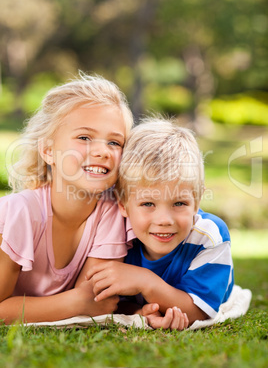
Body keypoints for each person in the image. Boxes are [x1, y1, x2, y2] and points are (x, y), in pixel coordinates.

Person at [0, 73, 135, 324]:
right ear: (49, 151)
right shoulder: (21, 212)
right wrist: (73, 302)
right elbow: (83, 302)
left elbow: (96, 300)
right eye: (84, 137)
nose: (102, 151)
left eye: (114, 142)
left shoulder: (110, 213)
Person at [87, 118, 234, 330]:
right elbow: (112, 301)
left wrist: (144, 281)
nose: (164, 220)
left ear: (197, 201)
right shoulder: (116, 234)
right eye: (148, 203)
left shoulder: (209, 236)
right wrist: (140, 312)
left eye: (179, 203)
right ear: (123, 204)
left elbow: (198, 311)